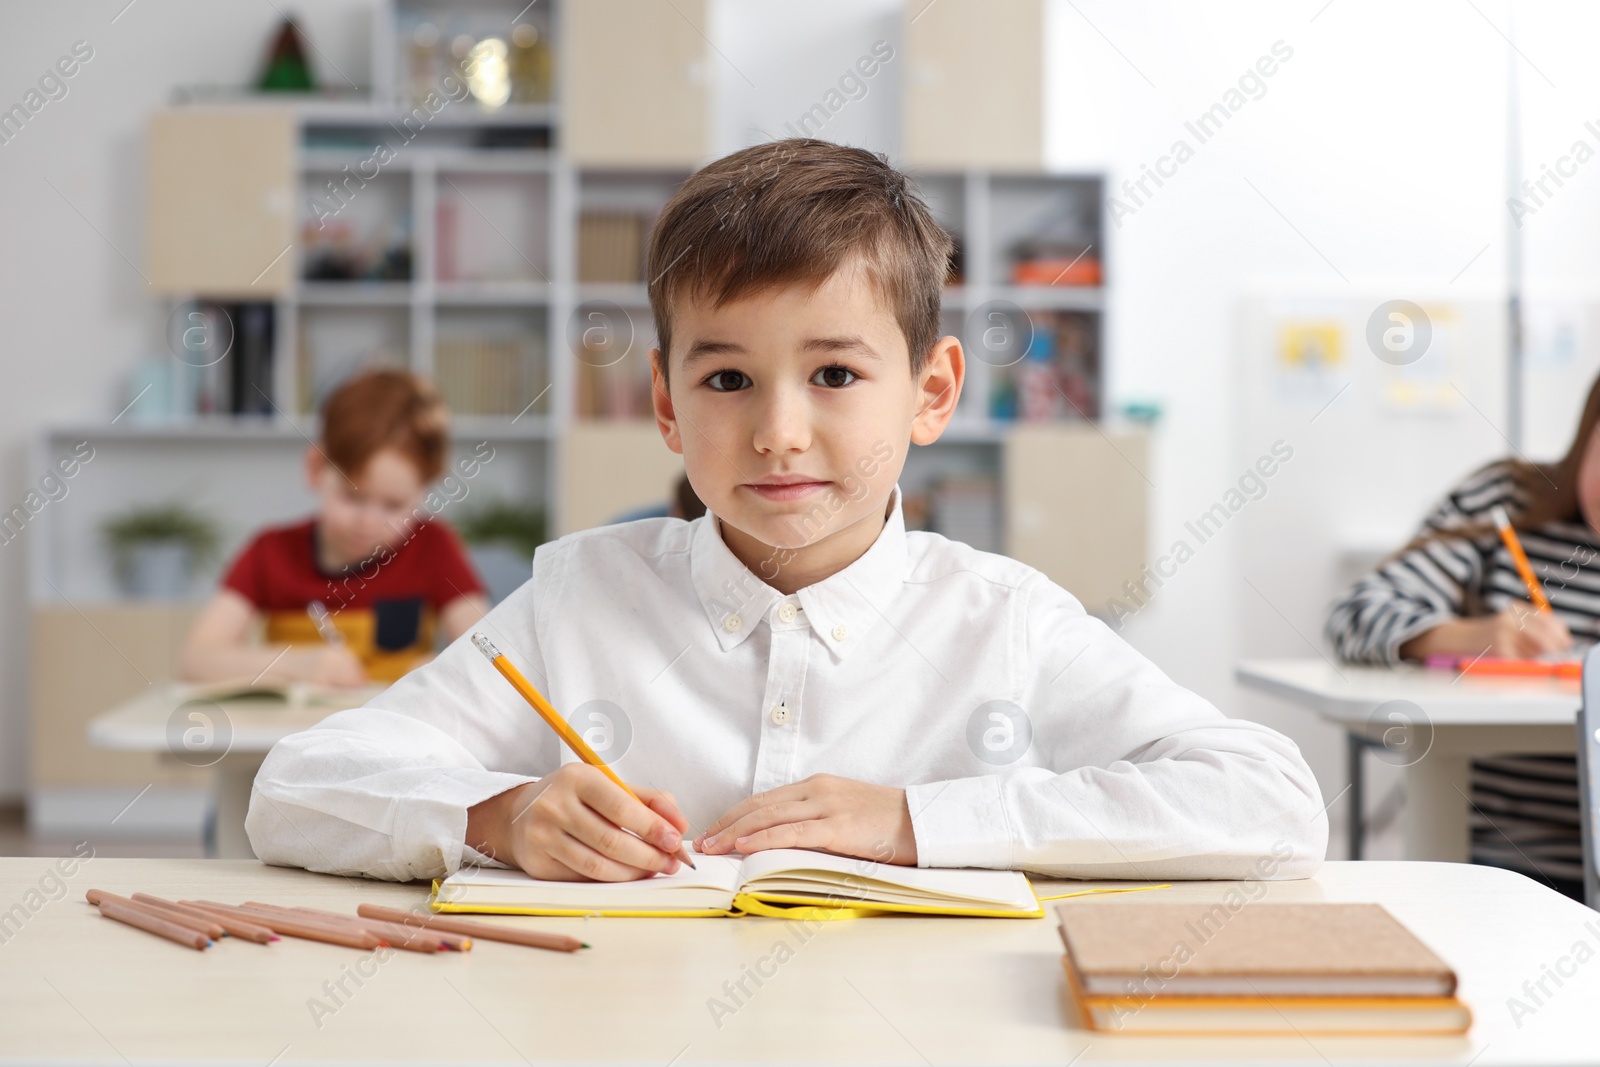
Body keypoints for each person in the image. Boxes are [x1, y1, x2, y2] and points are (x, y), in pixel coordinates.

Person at [246, 139, 1327, 884]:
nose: (777, 432)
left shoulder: (1004, 619)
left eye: (835, 375)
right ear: (666, 404)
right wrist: (500, 813)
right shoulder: (580, 595)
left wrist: (914, 820)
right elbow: (296, 784)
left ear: (934, 392)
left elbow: (1270, 800)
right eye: (726, 381)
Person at [1325, 373, 1600, 898]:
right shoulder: (1506, 500)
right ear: (1589, 429)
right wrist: (1466, 637)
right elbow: (1355, 615)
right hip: (1498, 863)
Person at [180, 369, 489, 688]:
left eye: (394, 505)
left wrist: (442, 668)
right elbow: (197, 660)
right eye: (353, 497)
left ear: (424, 491)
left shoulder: (433, 547)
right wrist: (294, 665)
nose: (369, 522)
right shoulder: (270, 552)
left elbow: (488, 651)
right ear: (316, 468)